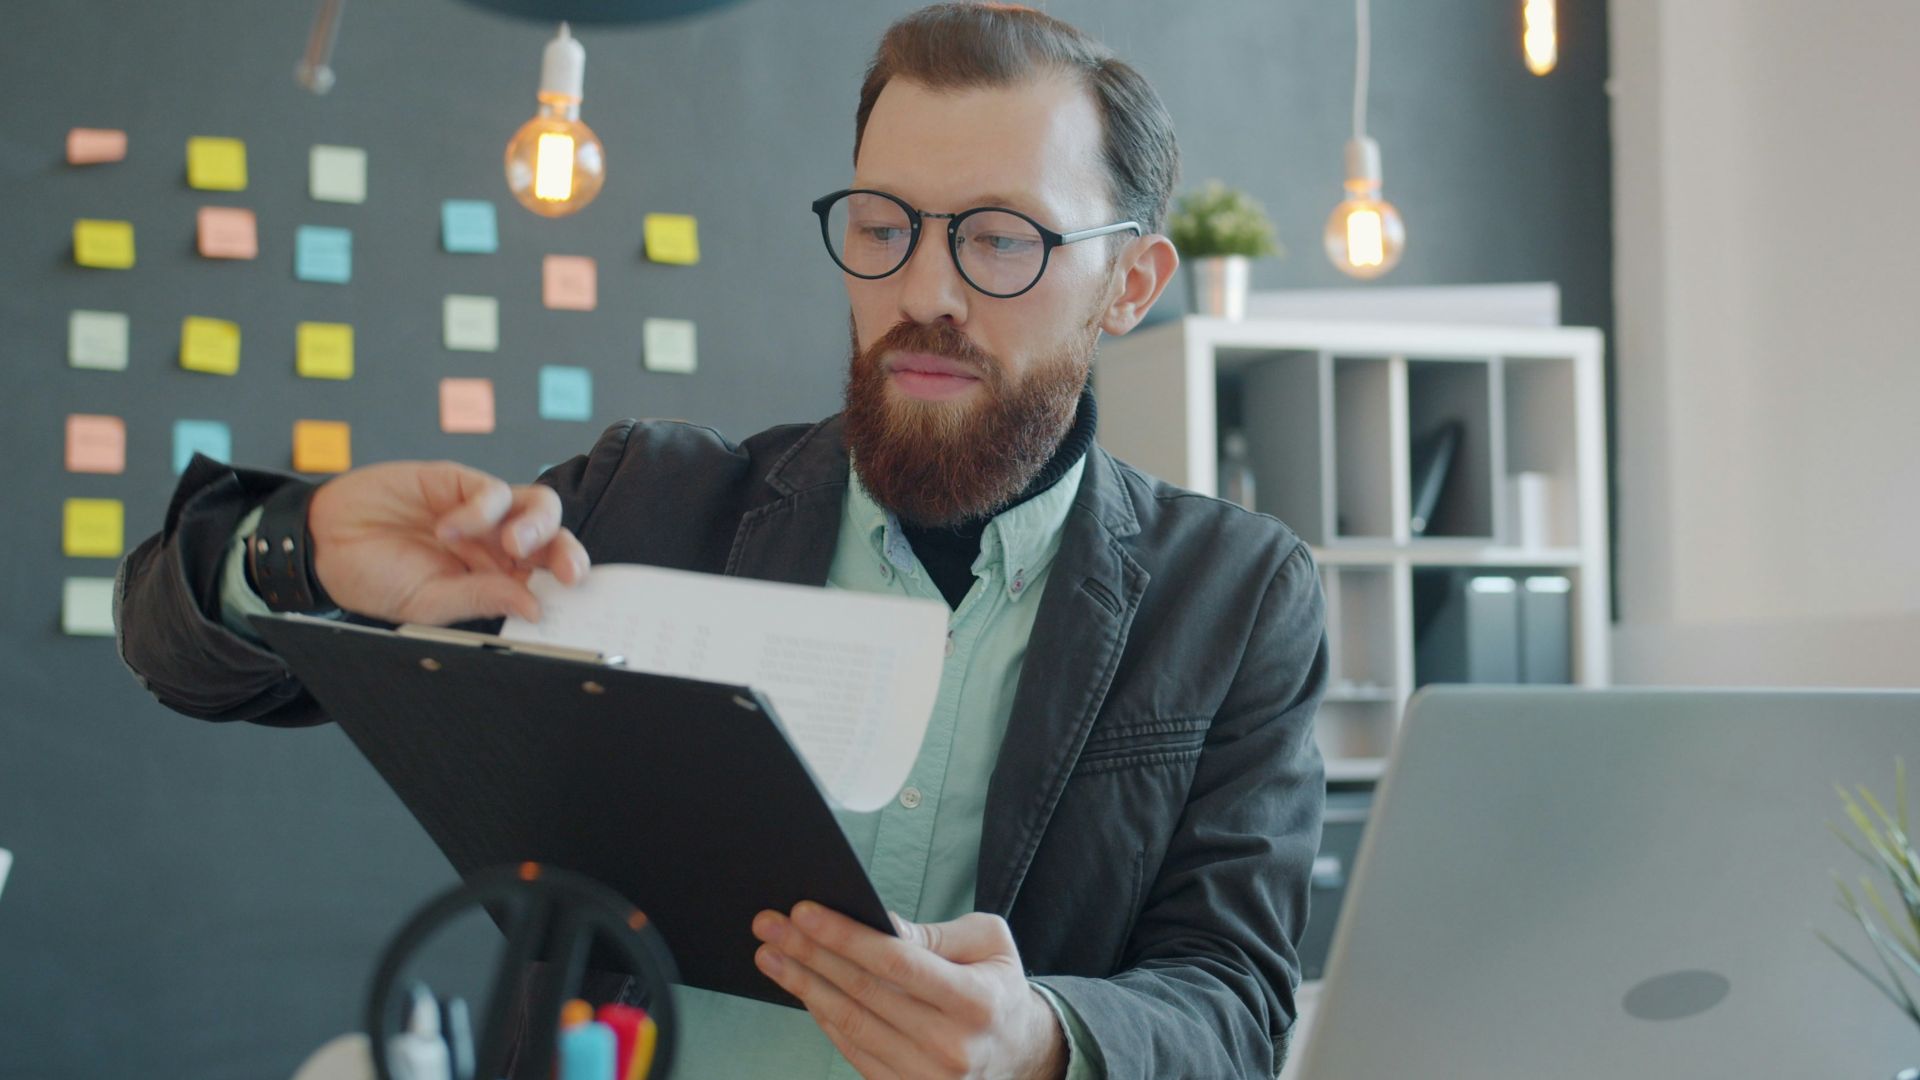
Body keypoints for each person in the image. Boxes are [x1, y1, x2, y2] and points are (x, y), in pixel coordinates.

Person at [114, 4, 1328, 1078]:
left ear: (1130, 284)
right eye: (883, 223)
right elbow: (179, 654)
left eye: (1003, 238)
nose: (925, 293)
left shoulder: (1235, 600)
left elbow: (1236, 1004)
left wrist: (1045, 1044)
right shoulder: (644, 505)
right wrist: (301, 552)